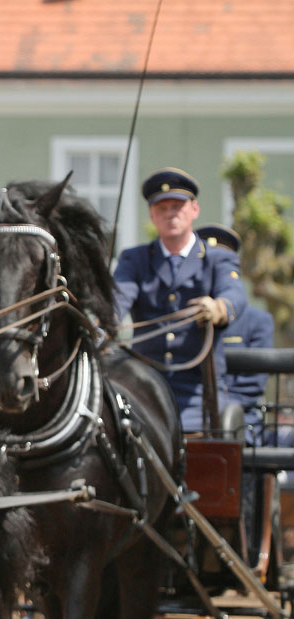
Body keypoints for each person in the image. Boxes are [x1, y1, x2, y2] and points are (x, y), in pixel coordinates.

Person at [114, 168, 247, 431]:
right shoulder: (135, 259)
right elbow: (118, 297)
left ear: (194, 210)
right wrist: (103, 321)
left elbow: (235, 294)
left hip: (199, 388)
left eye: (177, 206)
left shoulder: (217, 258)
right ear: (152, 215)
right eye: (162, 208)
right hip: (144, 383)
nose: (170, 214)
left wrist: (219, 307)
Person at [196, 224, 276, 445]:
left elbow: (251, 386)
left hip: (238, 420)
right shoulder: (185, 315)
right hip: (188, 415)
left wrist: (218, 410)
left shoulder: (258, 321)